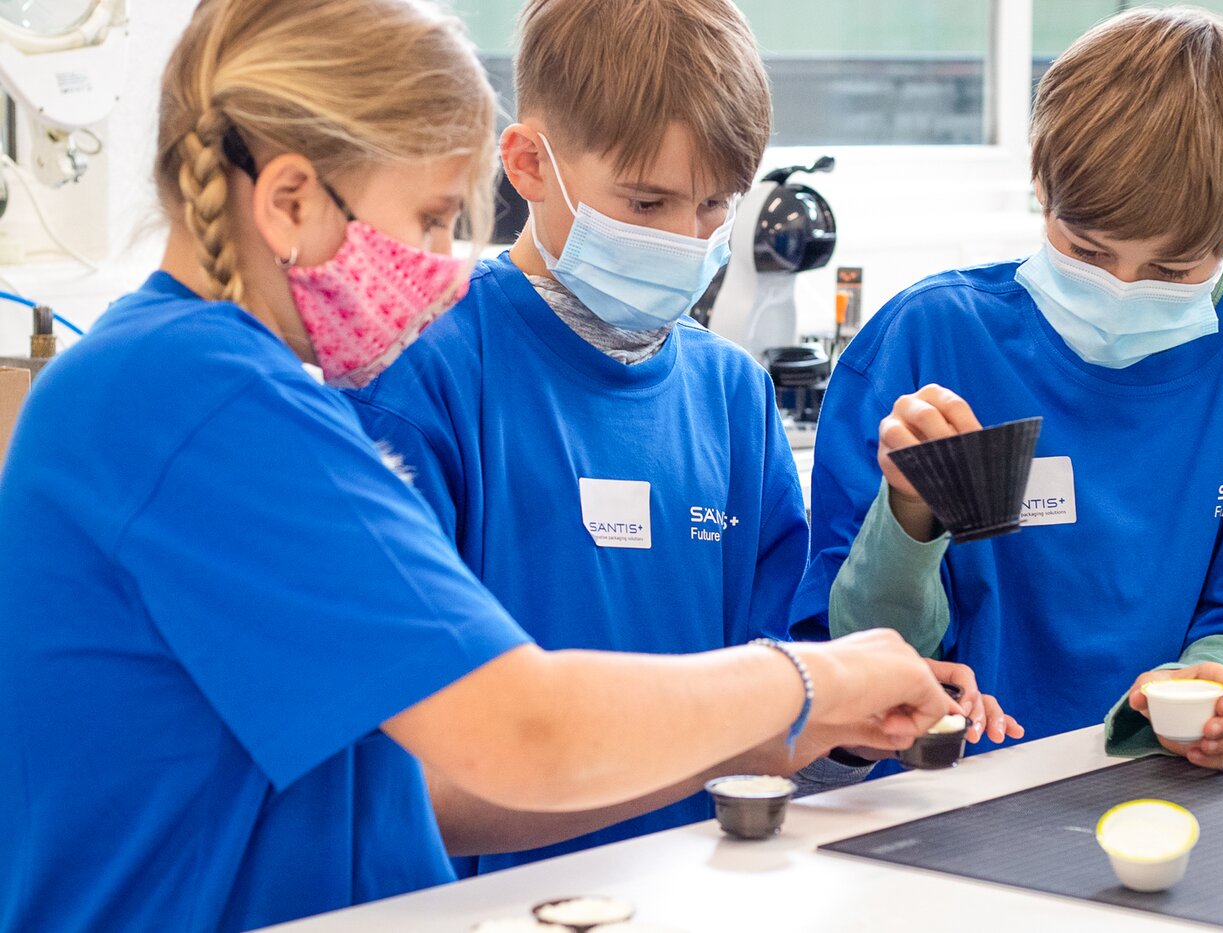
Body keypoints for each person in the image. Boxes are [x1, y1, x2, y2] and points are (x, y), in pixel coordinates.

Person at [0, 2, 962, 929]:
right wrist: (809, 681)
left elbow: (436, 784)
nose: (437, 269)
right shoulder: (197, 396)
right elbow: (521, 732)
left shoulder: (197, 383)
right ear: (290, 198)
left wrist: (805, 721)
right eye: (426, 219)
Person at [344, 0, 1020, 875]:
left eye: (712, 207)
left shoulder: (730, 392)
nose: (682, 238)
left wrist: (868, 710)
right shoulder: (426, 369)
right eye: (646, 200)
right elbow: (406, 757)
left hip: (699, 878)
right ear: (527, 163)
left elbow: (782, 690)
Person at [792, 8, 1223, 771]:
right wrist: (908, 514)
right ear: (1040, 181)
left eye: (1169, 271)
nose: (1120, 288)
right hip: (960, 788)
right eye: (1085, 251)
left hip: (1176, 775)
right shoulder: (931, 340)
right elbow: (859, 659)